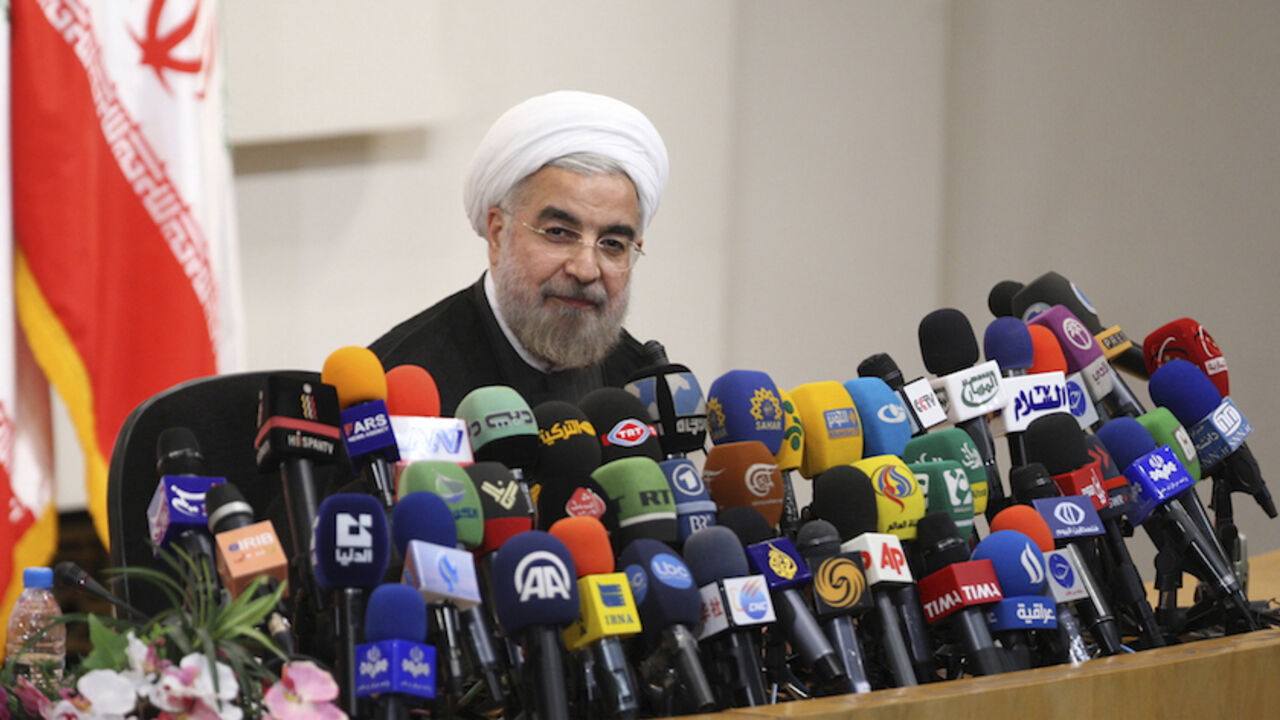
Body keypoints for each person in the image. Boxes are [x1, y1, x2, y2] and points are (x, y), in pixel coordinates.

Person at [369, 91, 669, 415]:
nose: (585, 270)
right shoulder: (398, 385)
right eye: (558, 233)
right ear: (498, 234)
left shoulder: (641, 386)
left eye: (612, 244)